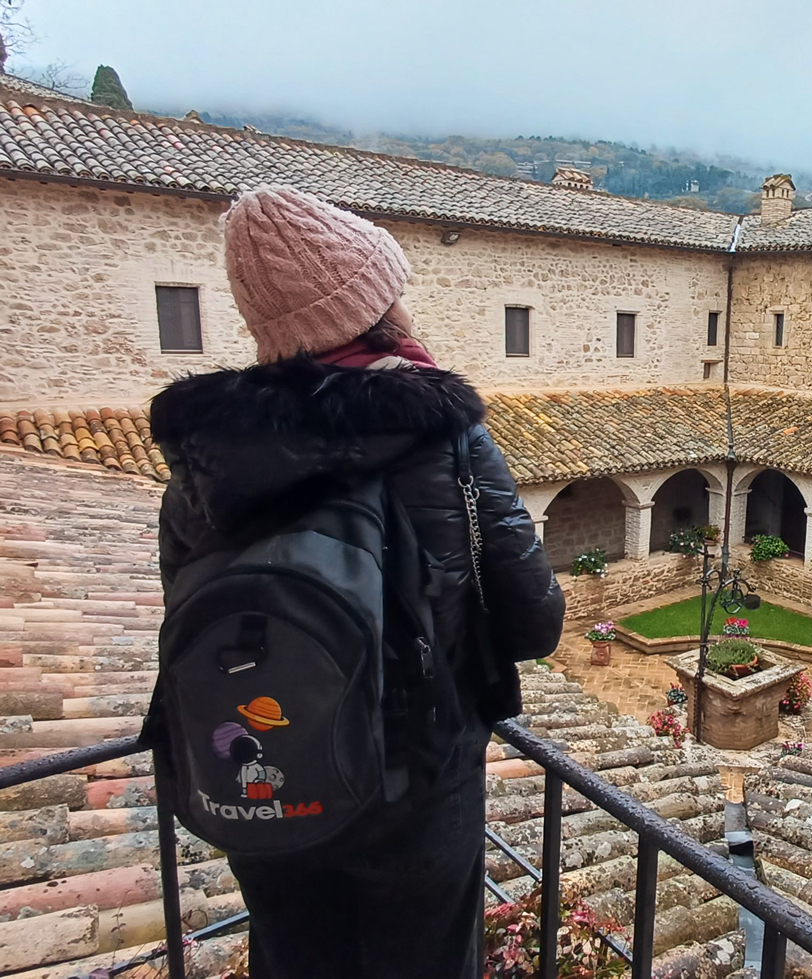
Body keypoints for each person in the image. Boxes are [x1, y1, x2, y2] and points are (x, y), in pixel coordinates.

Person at [149, 185, 565, 978]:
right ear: (372, 305)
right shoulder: (442, 438)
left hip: (262, 780)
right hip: (414, 785)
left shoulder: (200, 461)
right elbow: (533, 621)